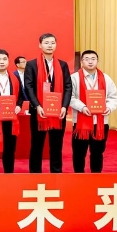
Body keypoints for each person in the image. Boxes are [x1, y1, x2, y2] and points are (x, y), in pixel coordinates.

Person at [24, 32, 73, 173]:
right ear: (40, 45)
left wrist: (64, 106)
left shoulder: (62, 65)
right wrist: (37, 106)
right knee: (37, 144)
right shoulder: (32, 65)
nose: (50, 45)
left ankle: (56, 173)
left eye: (52, 43)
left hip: (58, 112)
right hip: (39, 111)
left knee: (56, 145)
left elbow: (68, 86)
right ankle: (35, 173)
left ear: (56, 45)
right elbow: (28, 86)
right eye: (46, 43)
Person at [69, 50, 117, 173]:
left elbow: (113, 97)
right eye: (86, 59)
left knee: (97, 152)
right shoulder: (74, 78)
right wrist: (82, 107)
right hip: (80, 123)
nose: (90, 61)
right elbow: (70, 97)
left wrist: (109, 107)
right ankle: (79, 176)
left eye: (93, 59)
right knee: (79, 152)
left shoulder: (106, 78)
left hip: (100, 123)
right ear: (82, 61)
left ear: (97, 61)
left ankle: (96, 177)